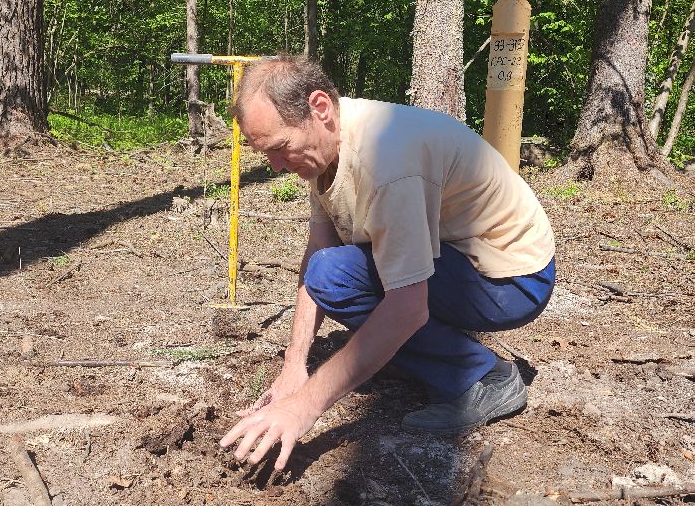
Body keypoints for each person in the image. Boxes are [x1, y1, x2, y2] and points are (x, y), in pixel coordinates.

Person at [220, 55, 555, 472]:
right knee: (330, 271)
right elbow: (318, 252)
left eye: (280, 148)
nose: (276, 166)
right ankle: (423, 353)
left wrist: (302, 408)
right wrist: (294, 364)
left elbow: (407, 306)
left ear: (319, 108)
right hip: (456, 257)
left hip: (512, 277)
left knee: (350, 286)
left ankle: (486, 377)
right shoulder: (325, 146)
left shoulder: (385, 159)